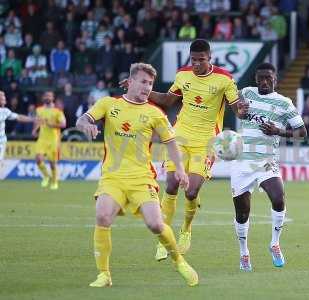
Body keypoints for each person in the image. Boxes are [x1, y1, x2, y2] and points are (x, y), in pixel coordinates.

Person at [120, 39, 248, 261]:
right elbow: (168, 100)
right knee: (170, 185)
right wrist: (142, 91)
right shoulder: (183, 75)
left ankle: (186, 229)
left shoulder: (224, 79)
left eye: (201, 60)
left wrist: (243, 111)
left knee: (191, 191)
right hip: (179, 135)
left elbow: (237, 110)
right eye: (194, 59)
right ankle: (163, 237)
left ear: (210, 59)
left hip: (206, 141)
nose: (197, 64)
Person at [76, 63, 198, 288]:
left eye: (150, 83)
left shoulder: (155, 113)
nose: (147, 87)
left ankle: (179, 260)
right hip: (112, 178)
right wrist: (86, 126)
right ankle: (104, 274)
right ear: (130, 82)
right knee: (102, 216)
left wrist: (180, 169)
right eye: (143, 82)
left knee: (155, 224)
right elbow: (83, 119)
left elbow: (171, 143)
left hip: (142, 179)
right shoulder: (108, 104)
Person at [231, 63, 307, 271]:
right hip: (243, 161)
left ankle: (274, 243)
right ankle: (244, 253)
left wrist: (279, 131)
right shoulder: (246, 93)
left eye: (269, 78)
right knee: (242, 213)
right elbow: (233, 105)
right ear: (256, 79)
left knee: (278, 197)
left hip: (267, 160)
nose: (264, 82)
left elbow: (302, 133)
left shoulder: (284, 103)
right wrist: (238, 110)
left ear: (276, 79)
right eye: (261, 78)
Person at [32, 91, 66, 190]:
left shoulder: (57, 111)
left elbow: (63, 124)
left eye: (49, 96)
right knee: (38, 159)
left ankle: (55, 182)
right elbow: (38, 121)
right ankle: (46, 176)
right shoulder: (39, 109)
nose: (47, 97)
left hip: (53, 140)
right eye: (46, 96)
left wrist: (53, 125)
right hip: (42, 138)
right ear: (43, 98)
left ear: (53, 98)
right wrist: (34, 130)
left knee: (52, 163)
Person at [0, 90, 35, 169]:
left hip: (1, 141)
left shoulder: (5, 111)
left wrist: (33, 119)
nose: (5, 100)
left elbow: (19, 117)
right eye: (2, 98)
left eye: (4, 97)